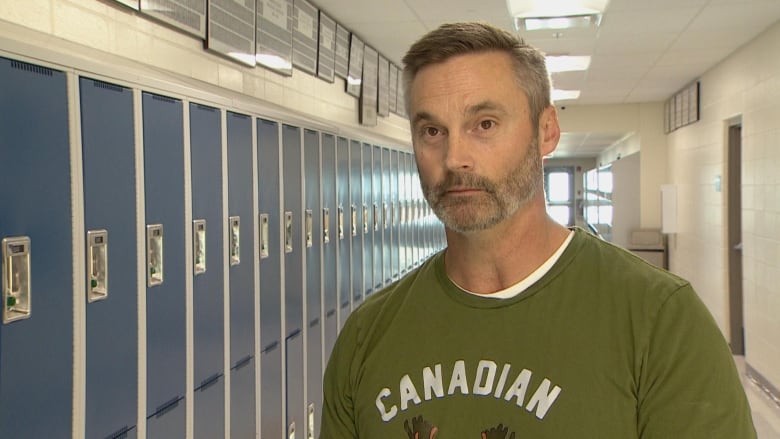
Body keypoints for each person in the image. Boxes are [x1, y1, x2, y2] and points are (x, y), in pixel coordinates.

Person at [320, 22, 757, 438]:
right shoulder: (366, 337)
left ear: (546, 131)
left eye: (484, 124)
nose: (455, 158)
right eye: (432, 130)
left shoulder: (660, 322)